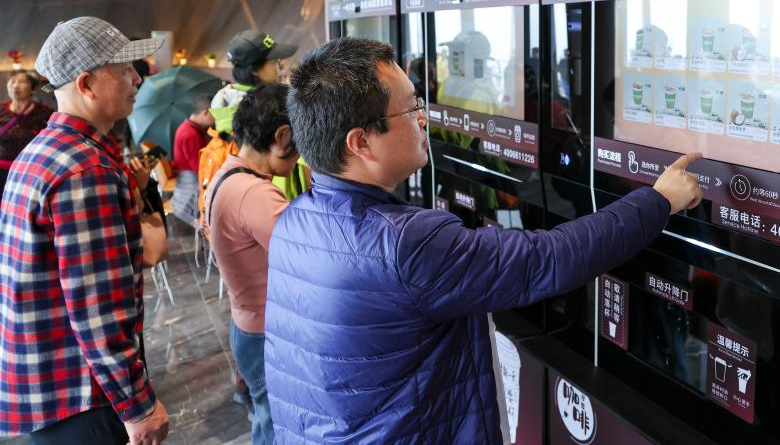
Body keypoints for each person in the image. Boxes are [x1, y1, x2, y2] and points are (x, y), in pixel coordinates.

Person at [264, 38, 703, 444]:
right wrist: (659, 200)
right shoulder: (404, 244)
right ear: (361, 142)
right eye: (410, 107)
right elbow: (550, 258)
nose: (423, 117)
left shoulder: (294, 221)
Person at [0, 17, 170, 444]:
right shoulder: (85, 169)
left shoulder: (43, 150)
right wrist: (138, 405)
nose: (137, 78)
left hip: (50, 387)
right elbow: (99, 308)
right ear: (87, 84)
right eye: (125, 70)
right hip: (83, 395)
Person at [206, 83, 298, 445]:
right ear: (282, 135)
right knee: (277, 427)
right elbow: (308, 255)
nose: (300, 157)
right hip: (265, 332)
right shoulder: (254, 193)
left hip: (247, 324)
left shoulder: (229, 174)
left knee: (265, 417)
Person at [209, 30, 297, 133]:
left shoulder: (225, 97)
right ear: (255, 70)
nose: (278, 70)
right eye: (274, 62)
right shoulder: (259, 107)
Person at [0, 71, 53, 190]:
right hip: (2, 171)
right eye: (12, 81)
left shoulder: (45, 113)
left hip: (31, 171)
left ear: (32, 89)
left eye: (22, 82)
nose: (15, 86)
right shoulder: (1, 110)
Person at [169, 94, 214, 225]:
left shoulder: (190, 128)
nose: (215, 120)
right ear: (206, 112)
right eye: (215, 115)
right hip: (189, 190)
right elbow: (200, 169)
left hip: (188, 178)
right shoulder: (190, 134)